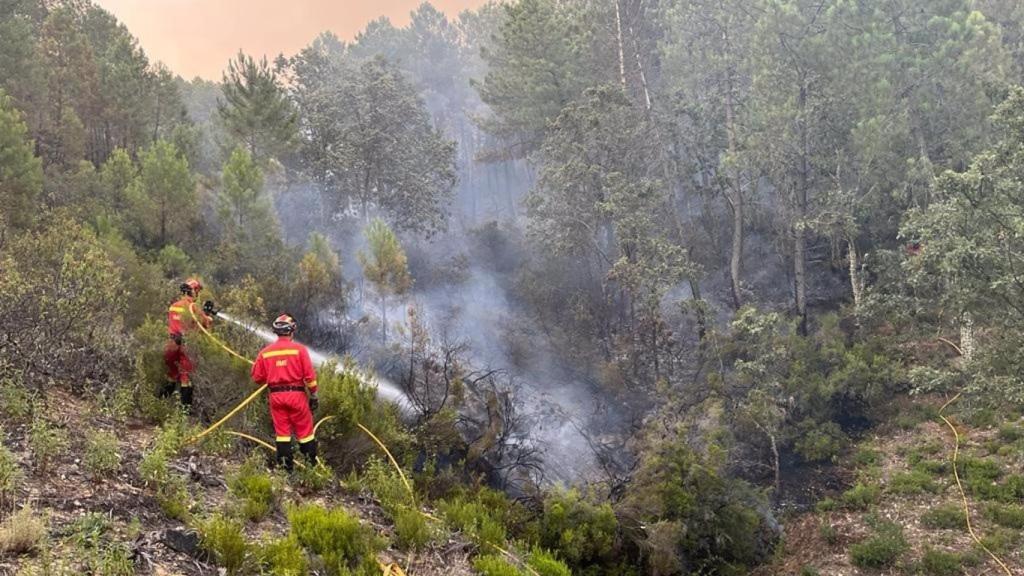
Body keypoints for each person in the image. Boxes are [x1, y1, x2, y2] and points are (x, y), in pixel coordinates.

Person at [250, 314, 319, 471]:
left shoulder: (265, 353)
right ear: (292, 330)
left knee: (282, 434)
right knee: (305, 433)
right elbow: (310, 377)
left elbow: (257, 378)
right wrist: (314, 394)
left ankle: (285, 471)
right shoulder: (300, 350)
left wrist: (274, 373)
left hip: (276, 397)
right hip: (297, 396)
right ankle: (311, 469)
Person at [163, 278, 216, 410]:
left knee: (171, 374)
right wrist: (208, 315)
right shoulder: (192, 307)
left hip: (171, 344)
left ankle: (161, 403)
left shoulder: (173, 305)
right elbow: (204, 323)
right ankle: (184, 412)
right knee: (186, 378)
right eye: (197, 291)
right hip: (185, 346)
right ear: (193, 291)